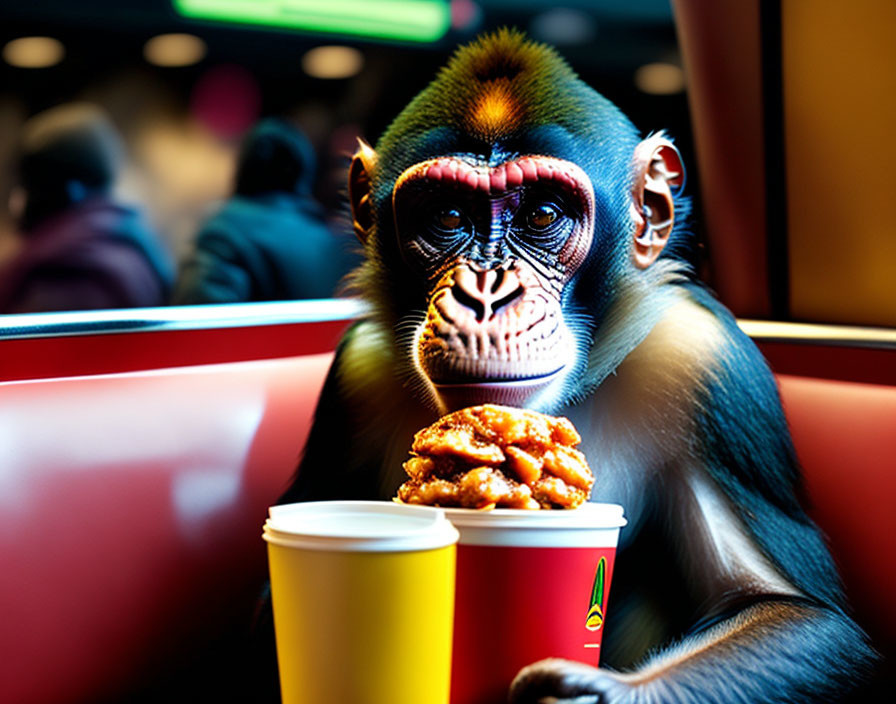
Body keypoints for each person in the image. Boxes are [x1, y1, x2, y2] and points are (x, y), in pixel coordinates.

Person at [0, 103, 174, 313]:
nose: (18, 201)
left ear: (71, 190)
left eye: (29, 185)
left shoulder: (71, 274)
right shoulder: (129, 244)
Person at [173, 118, 354, 305]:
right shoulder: (329, 243)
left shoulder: (223, 233)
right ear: (304, 173)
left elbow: (200, 323)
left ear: (242, 168)